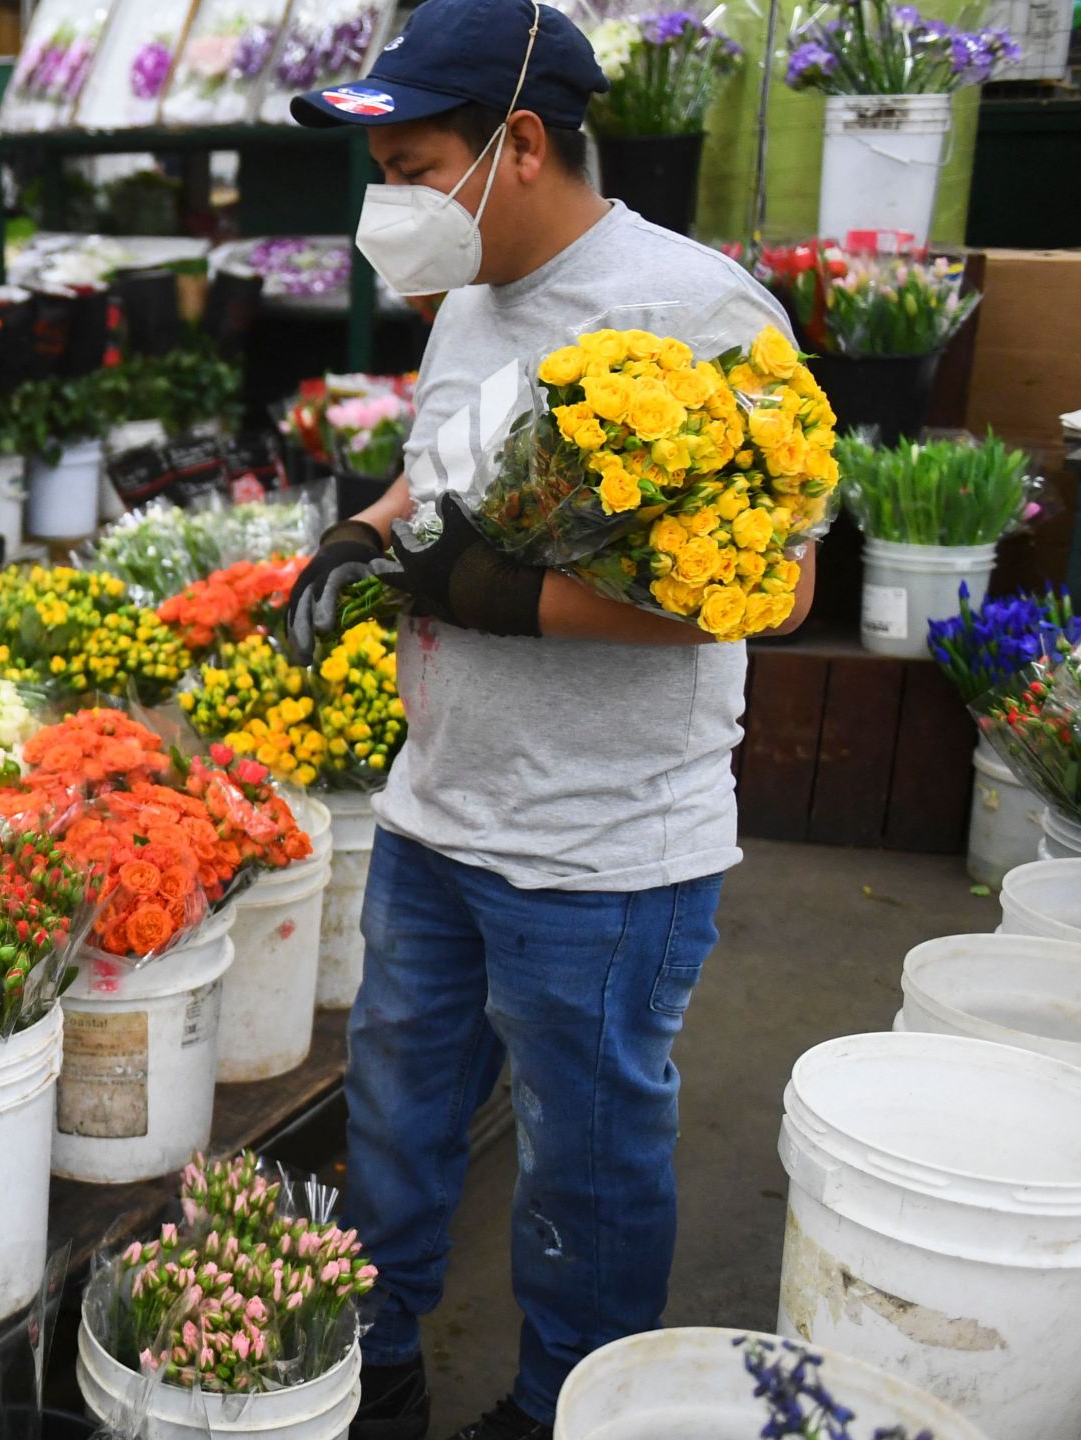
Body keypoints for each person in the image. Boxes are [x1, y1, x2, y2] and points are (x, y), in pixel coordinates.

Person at [278, 2, 816, 1437]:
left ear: (517, 145)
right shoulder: (470, 298)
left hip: (605, 847)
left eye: (411, 160)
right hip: (437, 810)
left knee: (586, 1161)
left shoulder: (699, 310)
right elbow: (432, 475)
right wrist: (360, 535)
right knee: (392, 1126)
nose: (390, 201)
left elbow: (779, 579)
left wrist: (511, 603)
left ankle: (568, 1395)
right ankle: (376, 1355)